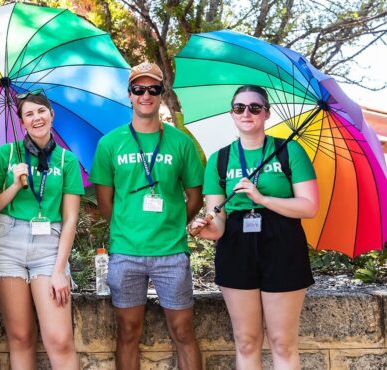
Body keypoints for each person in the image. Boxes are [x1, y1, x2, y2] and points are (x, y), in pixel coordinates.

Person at [190, 85, 319, 370]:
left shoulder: (289, 151)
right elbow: (218, 217)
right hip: (236, 243)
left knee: (282, 342)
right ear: (231, 113)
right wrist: (208, 228)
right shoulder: (219, 159)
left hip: (282, 241)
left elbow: (309, 206)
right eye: (239, 107)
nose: (246, 113)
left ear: (267, 113)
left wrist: (261, 198)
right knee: (246, 340)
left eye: (255, 107)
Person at [89, 61, 204, 370]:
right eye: (139, 89)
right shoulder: (110, 143)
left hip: (171, 251)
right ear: (129, 94)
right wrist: (127, 227)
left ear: (161, 94)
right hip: (126, 251)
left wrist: (173, 223)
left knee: (182, 330)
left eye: (153, 89)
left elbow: (195, 196)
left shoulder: (181, 142)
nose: (146, 95)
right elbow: (105, 200)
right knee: (127, 332)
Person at [0, 90, 83, 370]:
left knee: (60, 338)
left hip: (49, 246)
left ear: (51, 115)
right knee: (21, 336)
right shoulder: (7, 155)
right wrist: (14, 185)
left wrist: (59, 270)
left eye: (41, 111)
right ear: (22, 121)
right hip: (8, 243)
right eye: (29, 113)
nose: (36, 117)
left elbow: (71, 219)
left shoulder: (67, 160)